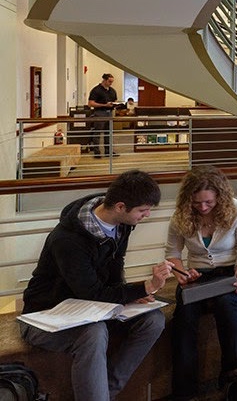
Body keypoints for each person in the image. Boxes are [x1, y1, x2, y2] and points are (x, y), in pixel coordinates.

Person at [19, 170, 172, 401]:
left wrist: (127, 295)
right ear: (121, 206)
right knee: (94, 333)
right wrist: (147, 286)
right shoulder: (67, 240)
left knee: (153, 320)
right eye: (143, 210)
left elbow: (114, 266)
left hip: (93, 310)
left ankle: (105, 393)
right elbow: (92, 292)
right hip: (45, 315)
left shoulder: (121, 223)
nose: (147, 215)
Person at [166, 165, 237, 400]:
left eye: (209, 203)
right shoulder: (180, 215)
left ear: (220, 197)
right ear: (188, 199)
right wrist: (181, 273)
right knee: (184, 317)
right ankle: (184, 392)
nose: (203, 208)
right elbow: (172, 253)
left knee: (227, 305)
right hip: (198, 274)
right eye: (197, 203)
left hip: (232, 271)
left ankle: (233, 384)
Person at [88, 73, 120, 158]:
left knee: (109, 133)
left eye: (112, 82)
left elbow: (115, 100)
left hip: (110, 113)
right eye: (109, 81)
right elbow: (91, 103)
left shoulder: (112, 90)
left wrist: (115, 104)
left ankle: (108, 151)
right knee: (97, 133)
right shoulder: (96, 90)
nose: (111, 83)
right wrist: (104, 105)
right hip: (99, 113)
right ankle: (97, 152)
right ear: (104, 80)